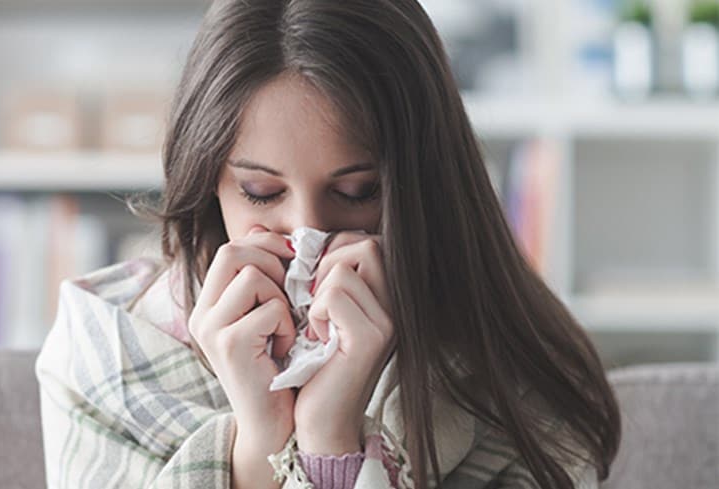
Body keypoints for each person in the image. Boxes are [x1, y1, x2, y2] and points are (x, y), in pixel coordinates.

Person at [35, 0, 621, 488]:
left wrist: (331, 441)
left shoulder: (506, 365)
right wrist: (259, 441)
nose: (305, 233)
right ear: (207, 178)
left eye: (359, 191)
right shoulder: (103, 351)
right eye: (261, 192)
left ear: (425, 183)